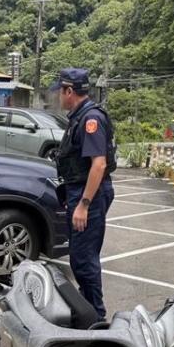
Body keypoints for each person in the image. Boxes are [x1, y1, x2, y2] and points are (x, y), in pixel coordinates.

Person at [49, 68, 117, 320]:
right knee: (80, 257)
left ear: (69, 91)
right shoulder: (79, 117)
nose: (58, 97)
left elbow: (98, 165)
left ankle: (96, 318)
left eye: (61, 91)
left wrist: (84, 204)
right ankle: (87, 308)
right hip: (80, 190)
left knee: (84, 259)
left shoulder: (91, 120)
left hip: (91, 194)